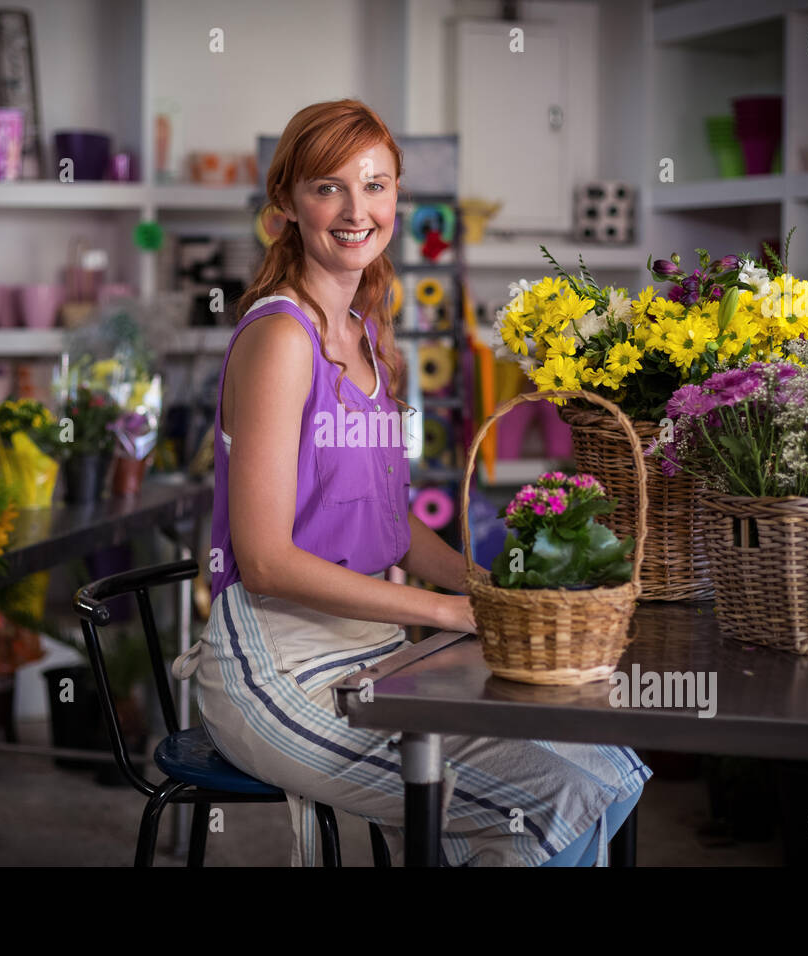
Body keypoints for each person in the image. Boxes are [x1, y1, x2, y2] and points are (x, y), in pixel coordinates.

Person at [172, 99, 650, 866]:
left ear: (397, 198)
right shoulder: (279, 339)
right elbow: (263, 561)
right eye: (328, 187)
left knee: (610, 772)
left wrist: (494, 594)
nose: (356, 209)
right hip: (280, 667)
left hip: (376, 653)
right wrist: (449, 612)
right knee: (551, 801)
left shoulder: (367, 340)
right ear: (286, 205)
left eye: (376, 184)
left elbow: (391, 527)